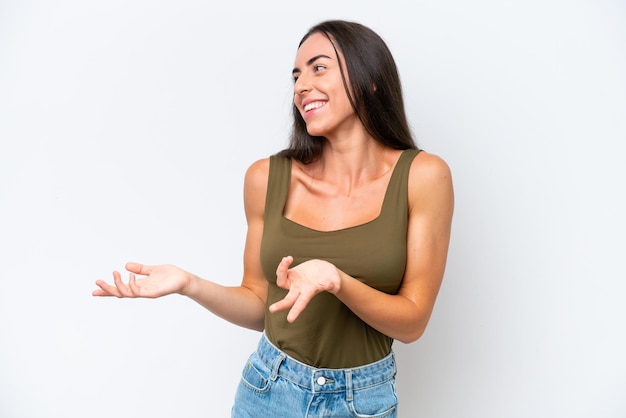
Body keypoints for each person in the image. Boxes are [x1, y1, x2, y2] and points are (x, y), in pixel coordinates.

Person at [93, 19, 454, 417]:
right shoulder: (265, 178)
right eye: (296, 74)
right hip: (268, 390)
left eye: (319, 68)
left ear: (370, 78)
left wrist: (337, 281)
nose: (300, 85)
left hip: (361, 402)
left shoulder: (423, 177)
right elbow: (258, 305)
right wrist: (189, 284)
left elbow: (413, 323)